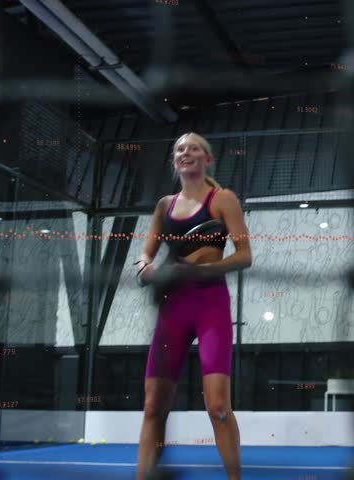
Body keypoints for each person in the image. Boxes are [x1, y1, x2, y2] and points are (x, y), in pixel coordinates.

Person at [134, 132, 252, 480]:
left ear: (207, 160)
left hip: (210, 304)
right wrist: (146, 270)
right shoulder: (163, 206)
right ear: (175, 161)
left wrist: (198, 270)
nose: (186, 152)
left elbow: (244, 256)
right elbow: (144, 255)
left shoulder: (223, 199)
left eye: (194, 148)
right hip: (172, 309)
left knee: (217, 407)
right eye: (180, 149)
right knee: (154, 406)